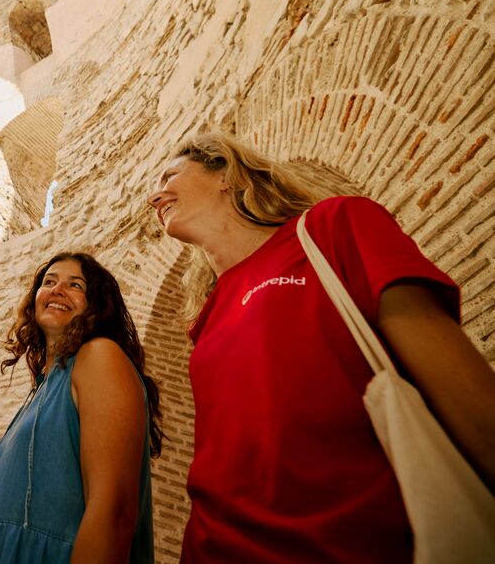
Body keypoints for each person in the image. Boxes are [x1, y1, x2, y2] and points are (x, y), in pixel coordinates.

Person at [145, 131, 495, 563]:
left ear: (225, 173)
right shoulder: (206, 317)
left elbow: (459, 386)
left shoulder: (335, 227)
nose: (154, 197)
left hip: (355, 542)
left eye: (170, 176)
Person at [0, 252, 163, 564]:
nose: (58, 290)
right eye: (49, 282)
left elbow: (114, 512)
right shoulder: (44, 387)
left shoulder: (100, 357)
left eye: (76, 285)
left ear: (97, 305)